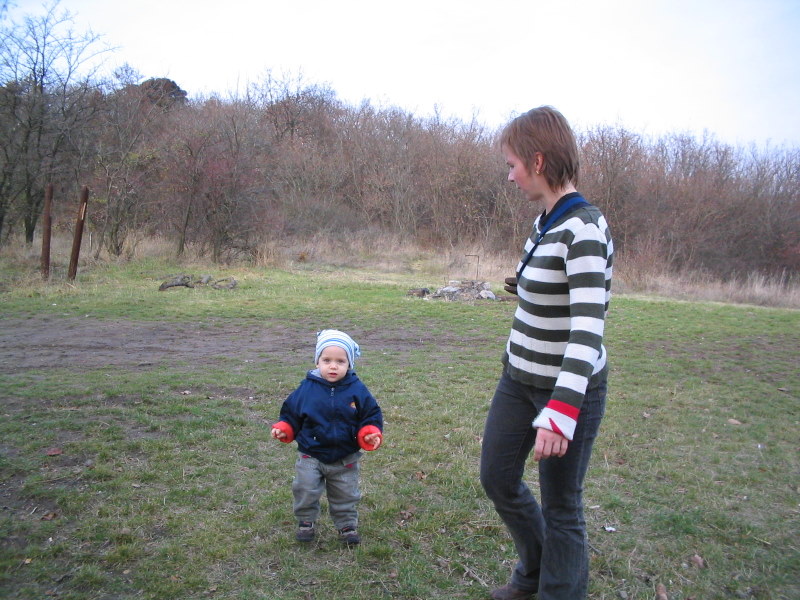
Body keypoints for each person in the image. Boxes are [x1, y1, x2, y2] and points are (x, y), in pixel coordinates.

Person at [480, 106, 613, 600]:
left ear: (537, 161)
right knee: (497, 478)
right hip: (518, 379)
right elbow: (551, 288)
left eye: (513, 164)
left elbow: (588, 329)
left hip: (566, 392)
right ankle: (534, 571)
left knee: (562, 507)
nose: (510, 175)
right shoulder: (545, 221)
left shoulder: (584, 230)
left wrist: (561, 411)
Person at [271, 329, 383, 546]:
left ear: (349, 364)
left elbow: (370, 414)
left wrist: (369, 432)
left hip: (345, 456)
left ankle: (346, 525)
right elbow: (291, 413)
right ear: (317, 361)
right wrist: (285, 427)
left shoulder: (357, 389)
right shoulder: (306, 388)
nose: (333, 366)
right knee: (305, 489)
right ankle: (306, 521)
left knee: (345, 493)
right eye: (327, 360)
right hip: (310, 454)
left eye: (340, 361)